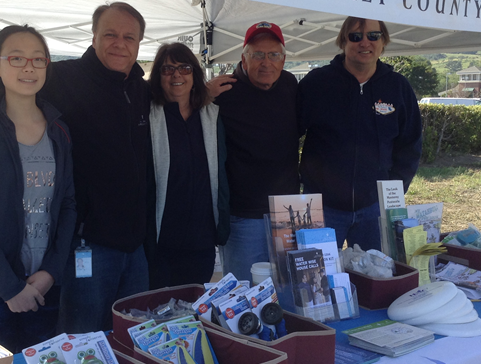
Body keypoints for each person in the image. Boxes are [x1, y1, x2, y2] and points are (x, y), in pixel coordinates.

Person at [0, 2, 151, 333]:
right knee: (82, 341)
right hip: (86, 244)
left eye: (130, 36)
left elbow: (179, 92)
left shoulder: (140, 89)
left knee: (129, 337)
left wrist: (204, 90)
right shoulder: (60, 77)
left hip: (132, 247)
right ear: (93, 36)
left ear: (140, 43)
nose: (119, 43)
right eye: (110, 34)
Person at [0, 25, 76, 353]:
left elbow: (68, 205)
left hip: (44, 287)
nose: (28, 68)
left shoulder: (59, 131)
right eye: (17, 58)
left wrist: (51, 271)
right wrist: (10, 289)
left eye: (38, 60)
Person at [298, 17, 422, 252]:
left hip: (375, 210)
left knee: (376, 280)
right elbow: (287, 135)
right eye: (356, 36)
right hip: (321, 209)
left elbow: (410, 145)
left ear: (383, 41)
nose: (365, 42)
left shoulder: (398, 87)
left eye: (373, 36)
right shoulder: (317, 83)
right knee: (316, 283)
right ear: (343, 41)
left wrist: (392, 190)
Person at [207, 22, 301, 282]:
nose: (266, 62)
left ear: (283, 60)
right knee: (243, 295)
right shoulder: (224, 91)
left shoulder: (291, 85)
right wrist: (202, 94)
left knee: (289, 290)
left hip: (288, 213)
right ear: (244, 59)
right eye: (257, 54)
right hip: (242, 216)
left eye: (273, 55)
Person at [145, 43, 230, 288]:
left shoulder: (211, 117)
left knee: (193, 313)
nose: (177, 75)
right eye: (167, 69)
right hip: (160, 242)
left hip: (201, 240)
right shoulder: (148, 117)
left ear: (195, 74)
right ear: (158, 77)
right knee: (159, 312)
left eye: (184, 68)